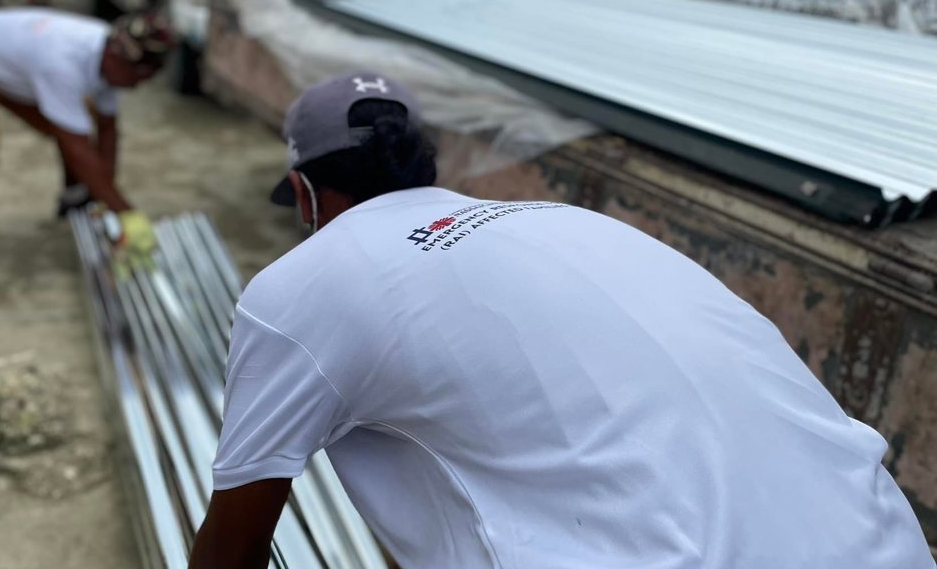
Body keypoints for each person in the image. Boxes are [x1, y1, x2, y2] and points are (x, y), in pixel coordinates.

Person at [187, 74, 935, 569]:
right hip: (886, 542)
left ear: (304, 191)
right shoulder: (566, 223)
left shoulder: (305, 285)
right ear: (426, 172)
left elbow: (233, 551)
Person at [0, 8, 174, 301]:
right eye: (138, 78)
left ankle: (76, 196)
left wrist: (108, 203)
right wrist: (126, 213)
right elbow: (77, 147)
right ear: (117, 58)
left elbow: (108, 130)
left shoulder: (108, 51)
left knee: (80, 116)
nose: (137, 87)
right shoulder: (63, 60)